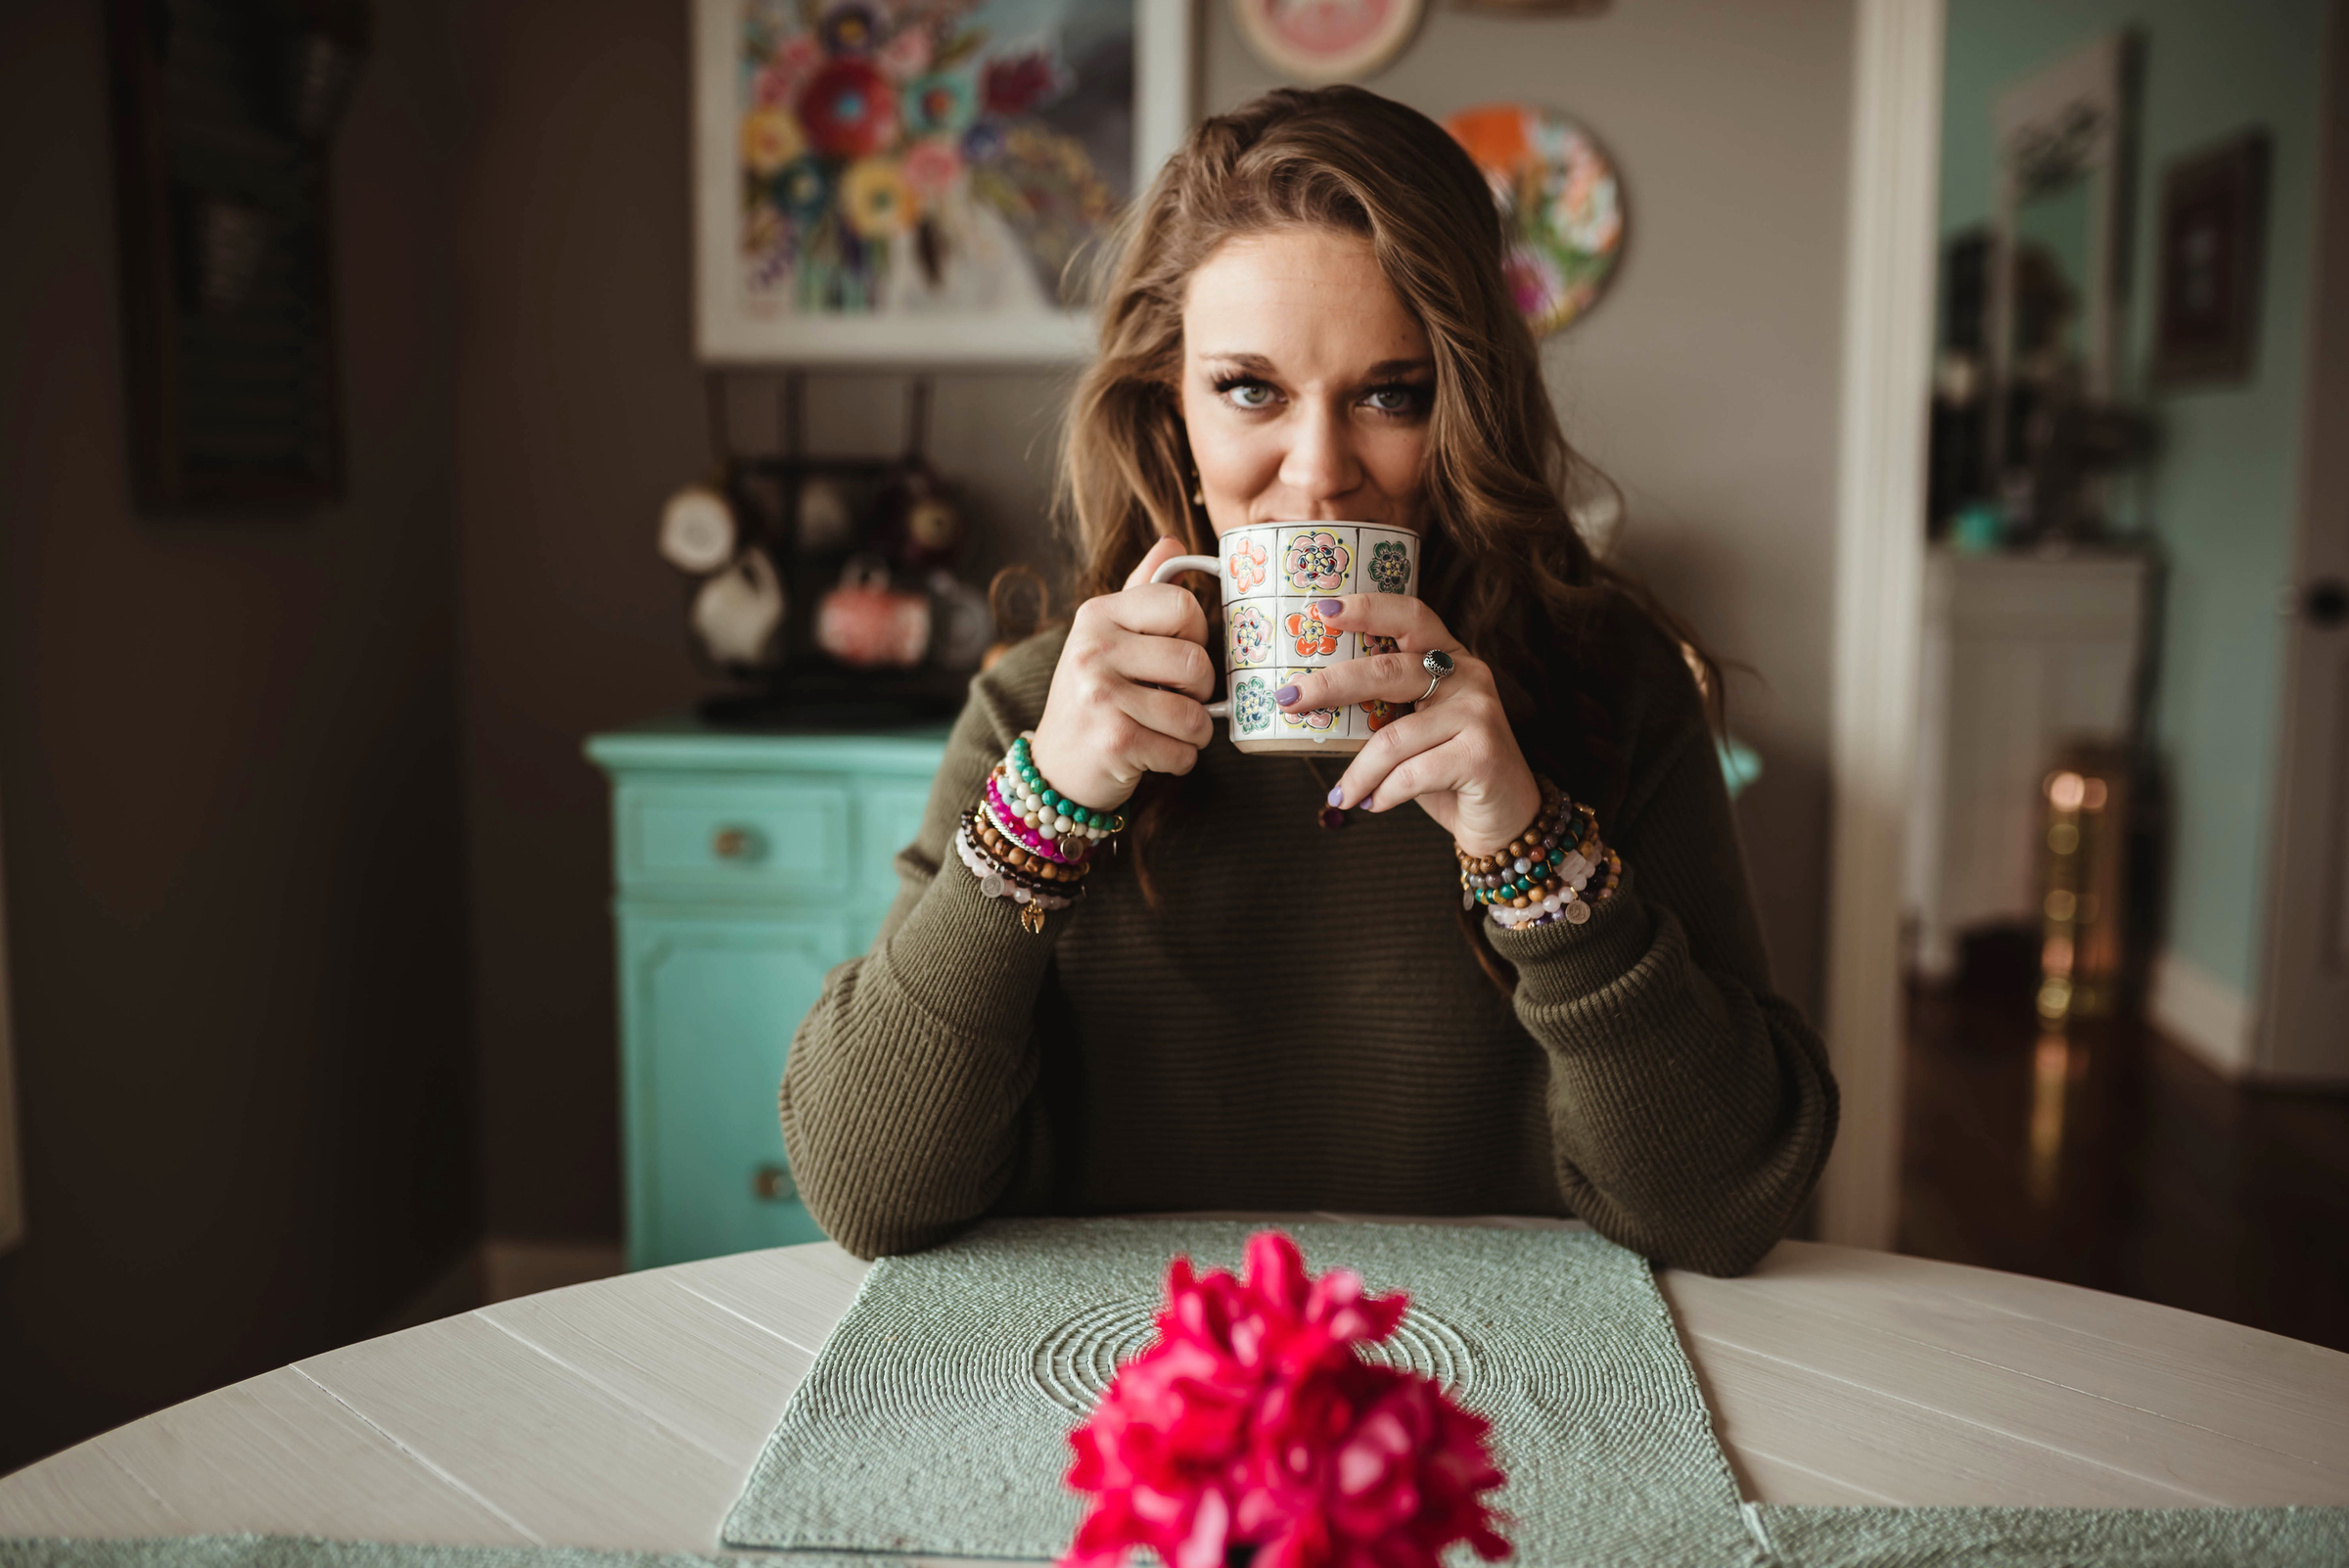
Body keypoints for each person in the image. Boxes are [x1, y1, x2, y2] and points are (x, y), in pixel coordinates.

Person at [779, 86, 1837, 1273]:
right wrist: (1048, 804)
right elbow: (870, 1196)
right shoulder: (1045, 709)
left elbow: (1728, 1206)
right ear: (1171, 406)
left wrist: (1529, 850)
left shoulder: (1611, 690)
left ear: (1464, 406)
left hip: (1507, 1399)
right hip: (1125, 1397)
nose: (1321, 471)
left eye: (1392, 394)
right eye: (1250, 389)